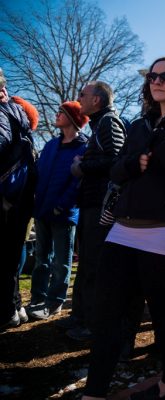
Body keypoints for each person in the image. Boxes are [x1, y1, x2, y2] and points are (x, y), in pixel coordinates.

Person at [81, 56, 165, 400]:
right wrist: (133, 162)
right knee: (106, 316)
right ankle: (94, 392)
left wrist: (163, 146)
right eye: (153, 76)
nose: (157, 81)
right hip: (124, 229)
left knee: (163, 317)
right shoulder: (138, 125)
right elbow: (116, 171)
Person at [60, 81, 126, 341]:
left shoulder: (110, 123)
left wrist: (83, 165)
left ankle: (92, 323)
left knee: (95, 267)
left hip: (101, 206)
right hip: (89, 203)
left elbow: (117, 161)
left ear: (97, 100)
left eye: (82, 95)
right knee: (85, 265)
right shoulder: (100, 124)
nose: (78, 99)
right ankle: (78, 316)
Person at [27, 102, 88, 320]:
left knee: (61, 261)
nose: (56, 114)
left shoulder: (84, 147)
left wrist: (62, 205)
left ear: (72, 118)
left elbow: (77, 183)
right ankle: (37, 298)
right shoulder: (51, 145)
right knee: (41, 257)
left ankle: (54, 302)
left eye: (61, 112)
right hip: (42, 210)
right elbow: (39, 175)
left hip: (64, 213)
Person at [0, 69, 38, 329]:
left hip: (6, 197)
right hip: (20, 196)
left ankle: (7, 311)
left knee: (6, 256)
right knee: (11, 254)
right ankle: (15, 308)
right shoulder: (17, 113)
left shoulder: (3, 112)